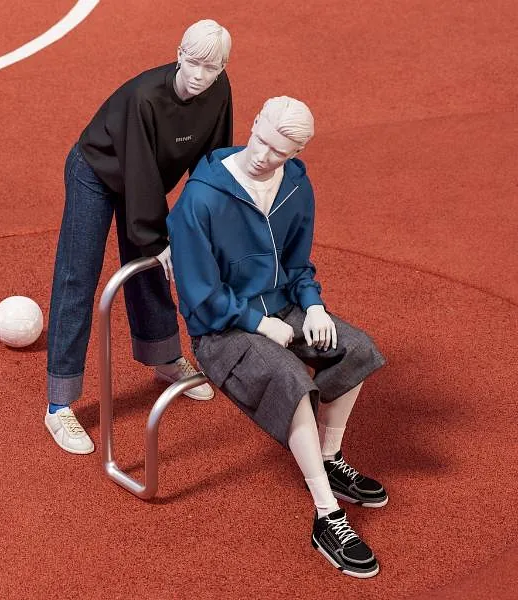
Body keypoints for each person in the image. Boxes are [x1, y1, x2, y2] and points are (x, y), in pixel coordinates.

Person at [167, 97, 387, 578]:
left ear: (295, 153)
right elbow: (199, 292)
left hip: (286, 307)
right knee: (292, 381)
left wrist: (313, 305)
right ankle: (327, 514)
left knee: (357, 349)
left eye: (279, 153)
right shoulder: (201, 199)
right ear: (253, 125)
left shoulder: (296, 186)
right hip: (221, 329)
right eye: (262, 142)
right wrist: (257, 322)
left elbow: (298, 263)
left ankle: (328, 458)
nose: (264, 156)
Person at [45, 20, 233, 455]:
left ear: (223, 68)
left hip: (143, 179)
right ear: (179, 53)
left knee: (150, 268)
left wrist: (207, 225)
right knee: (79, 276)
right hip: (97, 172)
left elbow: (214, 161)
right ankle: (58, 404)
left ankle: (163, 358)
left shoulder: (219, 91)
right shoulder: (145, 97)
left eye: (211, 67)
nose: (200, 75)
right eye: (194, 62)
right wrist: (157, 239)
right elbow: (141, 174)